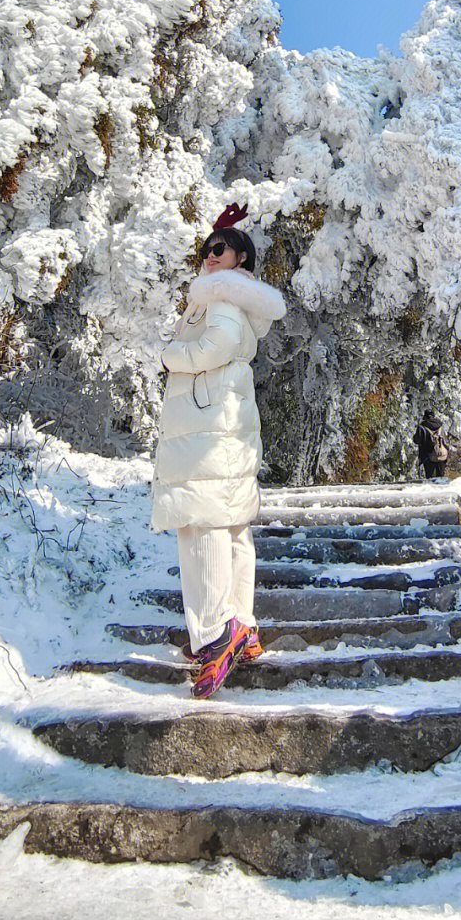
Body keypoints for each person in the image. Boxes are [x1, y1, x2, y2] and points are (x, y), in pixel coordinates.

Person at [151, 203, 286, 699]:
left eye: (222, 249)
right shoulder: (227, 299)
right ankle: (242, 625)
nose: (212, 255)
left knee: (202, 523)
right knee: (227, 526)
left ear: (241, 262)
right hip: (220, 430)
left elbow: (215, 347)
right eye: (209, 247)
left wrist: (170, 355)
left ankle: (213, 635)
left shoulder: (223, 301)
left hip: (209, 433)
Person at [415, 408, 449, 480]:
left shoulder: (422, 427)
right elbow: (445, 439)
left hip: (428, 455)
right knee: (441, 478)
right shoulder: (440, 426)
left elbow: (416, 440)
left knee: (430, 478)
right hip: (442, 454)